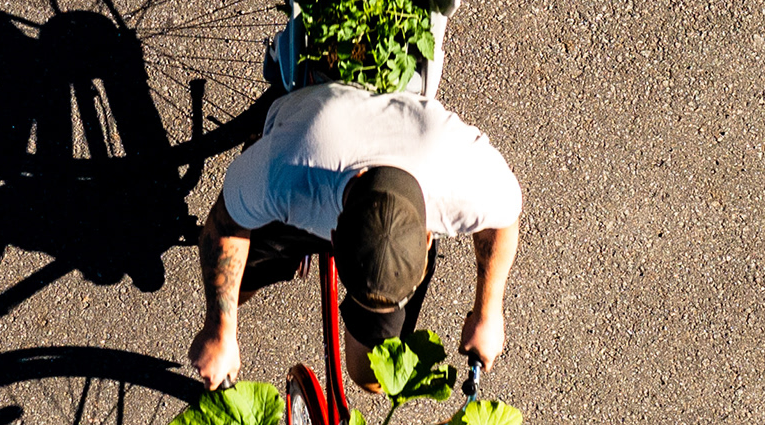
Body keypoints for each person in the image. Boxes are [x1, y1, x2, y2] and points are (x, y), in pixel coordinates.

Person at [188, 82, 521, 390]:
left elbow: (502, 220)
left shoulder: (463, 183)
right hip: (305, 187)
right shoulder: (288, 167)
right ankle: (290, 257)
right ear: (331, 238)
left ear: (428, 237)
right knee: (236, 287)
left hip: (336, 204)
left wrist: (489, 314)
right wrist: (220, 328)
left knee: (372, 378)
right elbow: (225, 224)